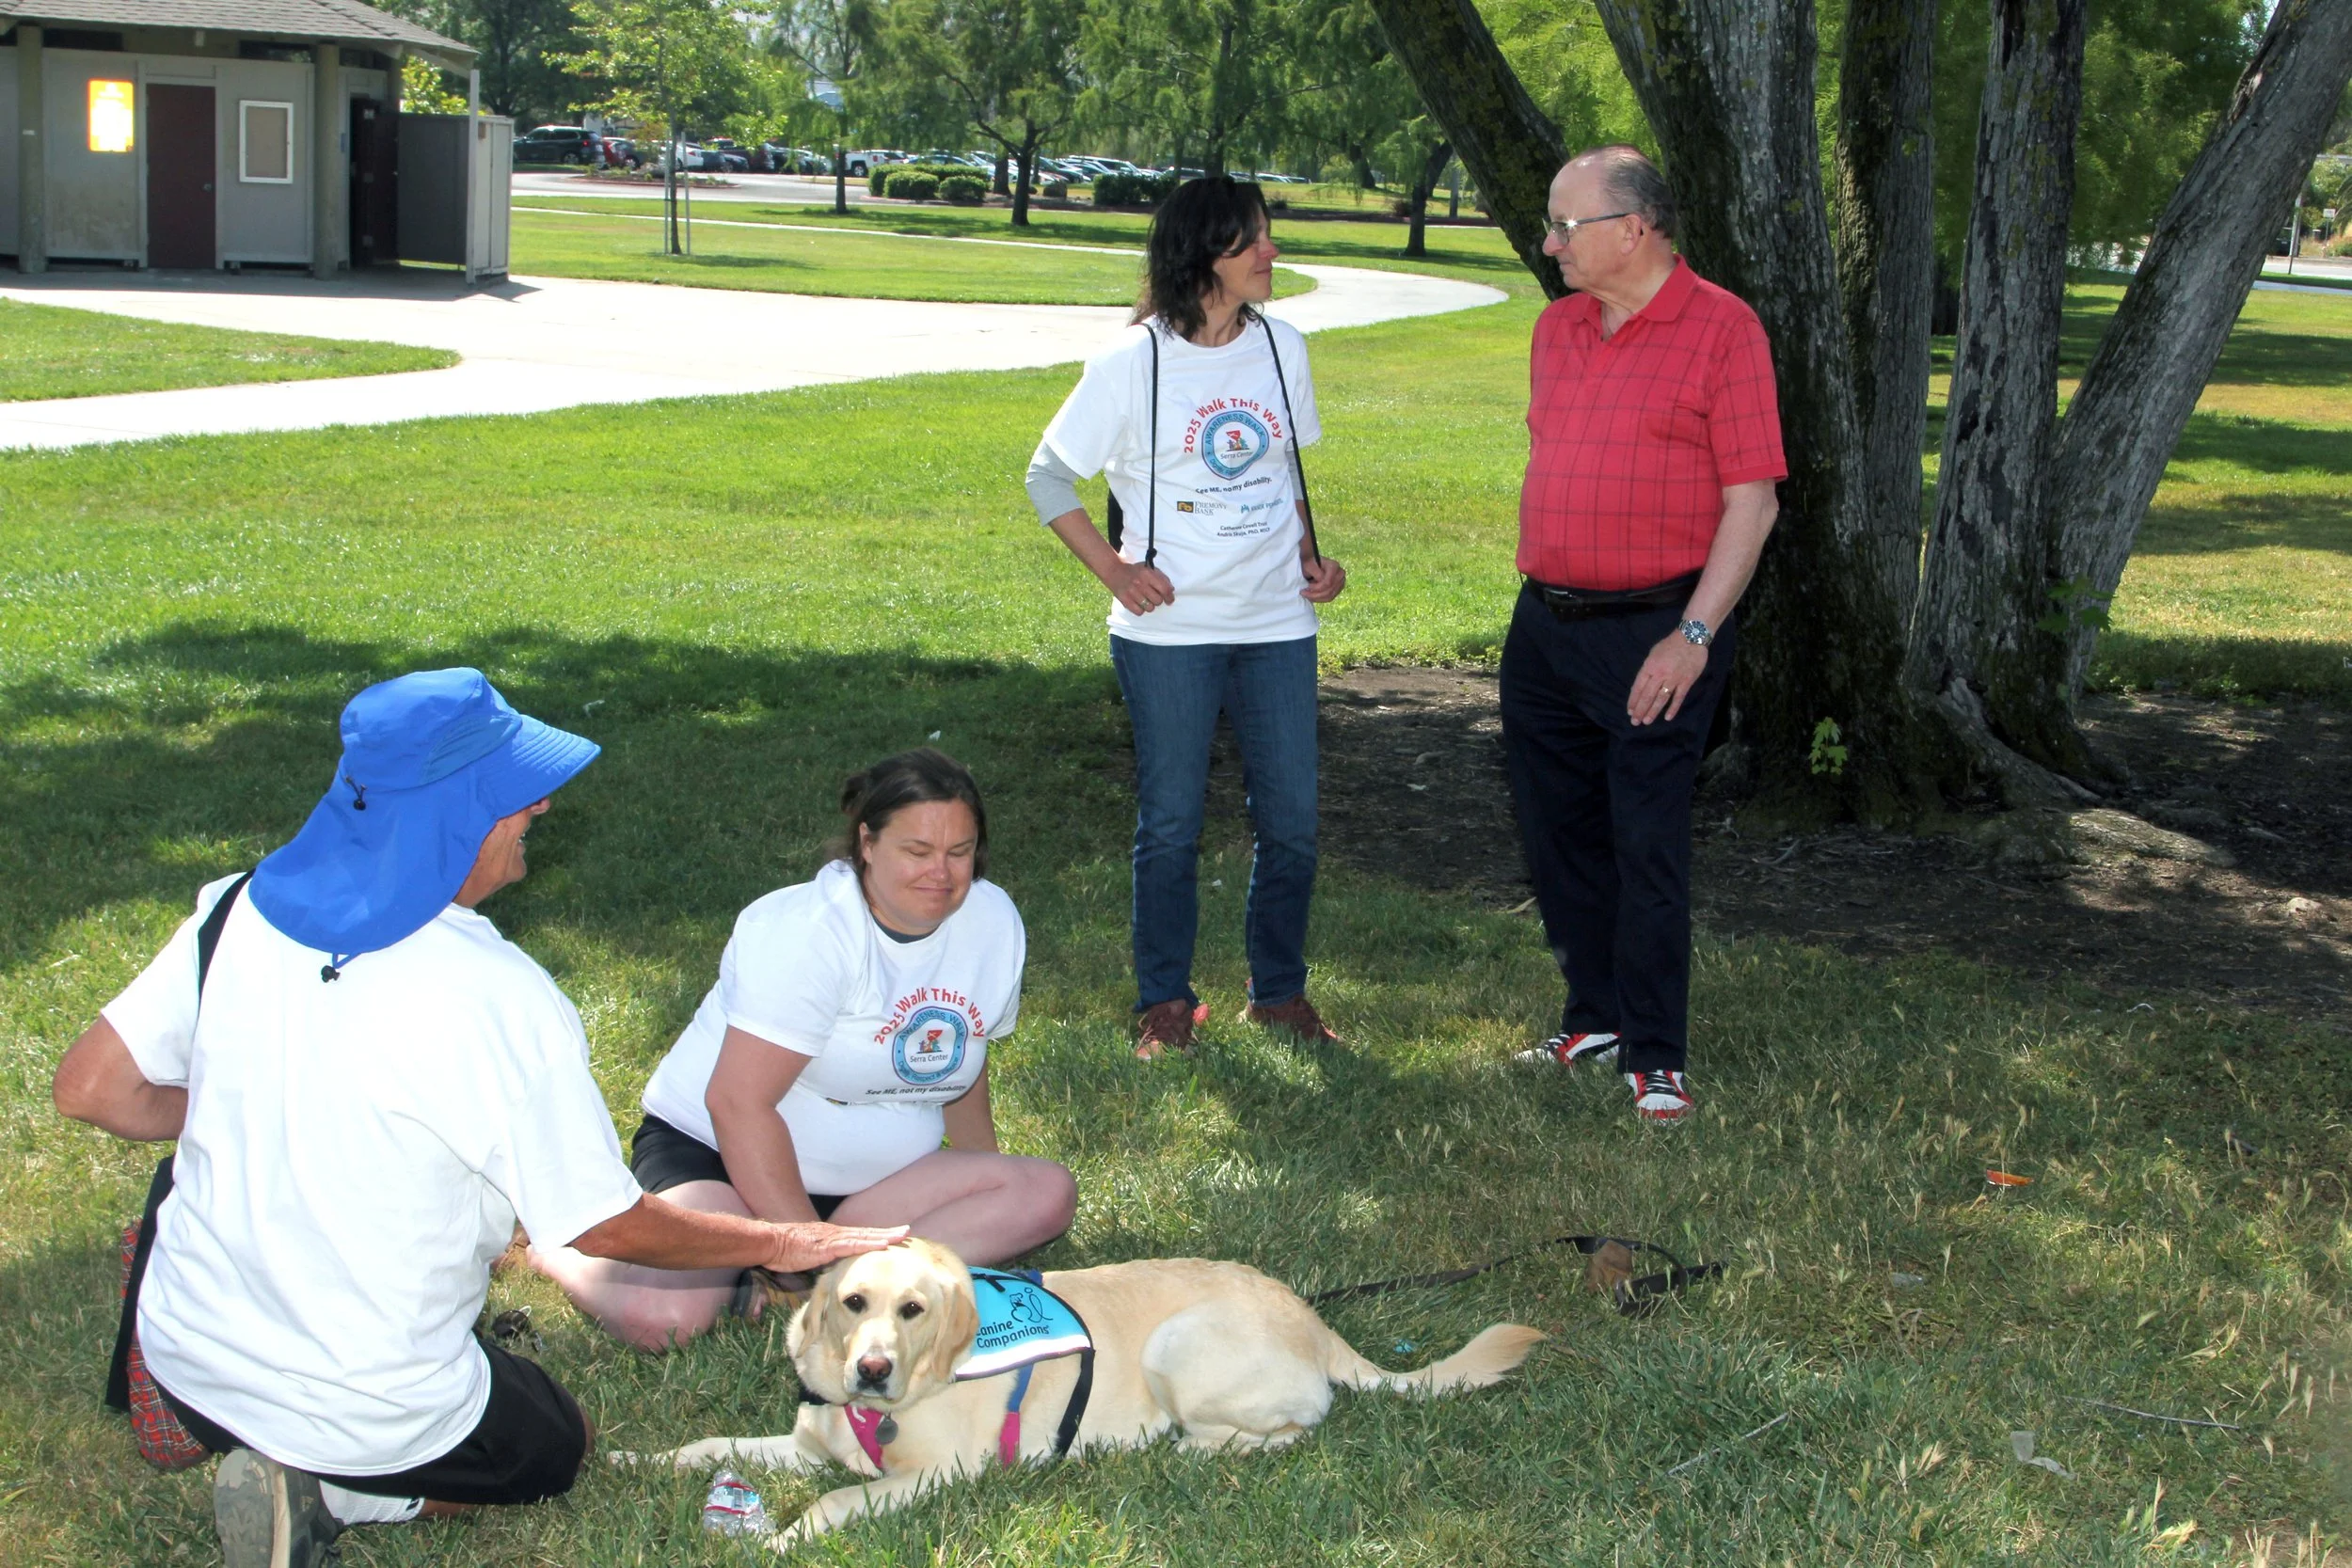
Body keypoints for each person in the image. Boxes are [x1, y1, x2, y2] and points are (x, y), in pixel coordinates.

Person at [50, 668, 903, 1568]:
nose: (539, 804)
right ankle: (328, 1492)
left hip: (188, 1354)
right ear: (453, 819)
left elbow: (92, 1088)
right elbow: (604, 1224)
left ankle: (197, 1417)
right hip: (369, 1408)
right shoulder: (499, 995)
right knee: (558, 1441)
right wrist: (780, 1240)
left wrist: (261, 1100)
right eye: (514, 794)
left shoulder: (235, 907)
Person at [533, 748, 1077, 1350]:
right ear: (867, 843)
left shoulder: (992, 920)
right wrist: (800, 1253)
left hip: (875, 1187)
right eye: (917, 851)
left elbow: (963, 1060)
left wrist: (984, 1176)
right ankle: (551, 1248)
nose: (941, 874)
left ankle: (815, 1273)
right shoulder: (809, 932)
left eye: (960, 851)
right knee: (665, 1319)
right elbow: (737, 1104)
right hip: (719, 1159)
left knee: (1044, 1194)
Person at [1026, 174, 1348, 1060]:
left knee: (1293, 823)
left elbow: (1283, 474)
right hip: (1170, 635)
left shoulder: (1283, 347)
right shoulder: (1132, 361)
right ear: (1203, 254)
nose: (1271, 252)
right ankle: (1165, 1002)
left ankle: (1277, 994)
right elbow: (1048, 477)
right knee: (1171, 824)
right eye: (1253, 238)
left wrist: (1314, 558)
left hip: (1278, 623)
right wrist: (1116, 570)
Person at [1502, 146, 1785, 1124]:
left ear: (1633, 229)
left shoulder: (1724, 330)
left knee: (1646, 842)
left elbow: (1752, 503)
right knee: (1557, 833)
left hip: (1660, 631)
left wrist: (1693, 634)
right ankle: (1596, 1015)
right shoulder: (1556, 328)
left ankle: (1657, 1053)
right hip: (1544, 626)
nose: (1549, 245)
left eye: (1564, 226)